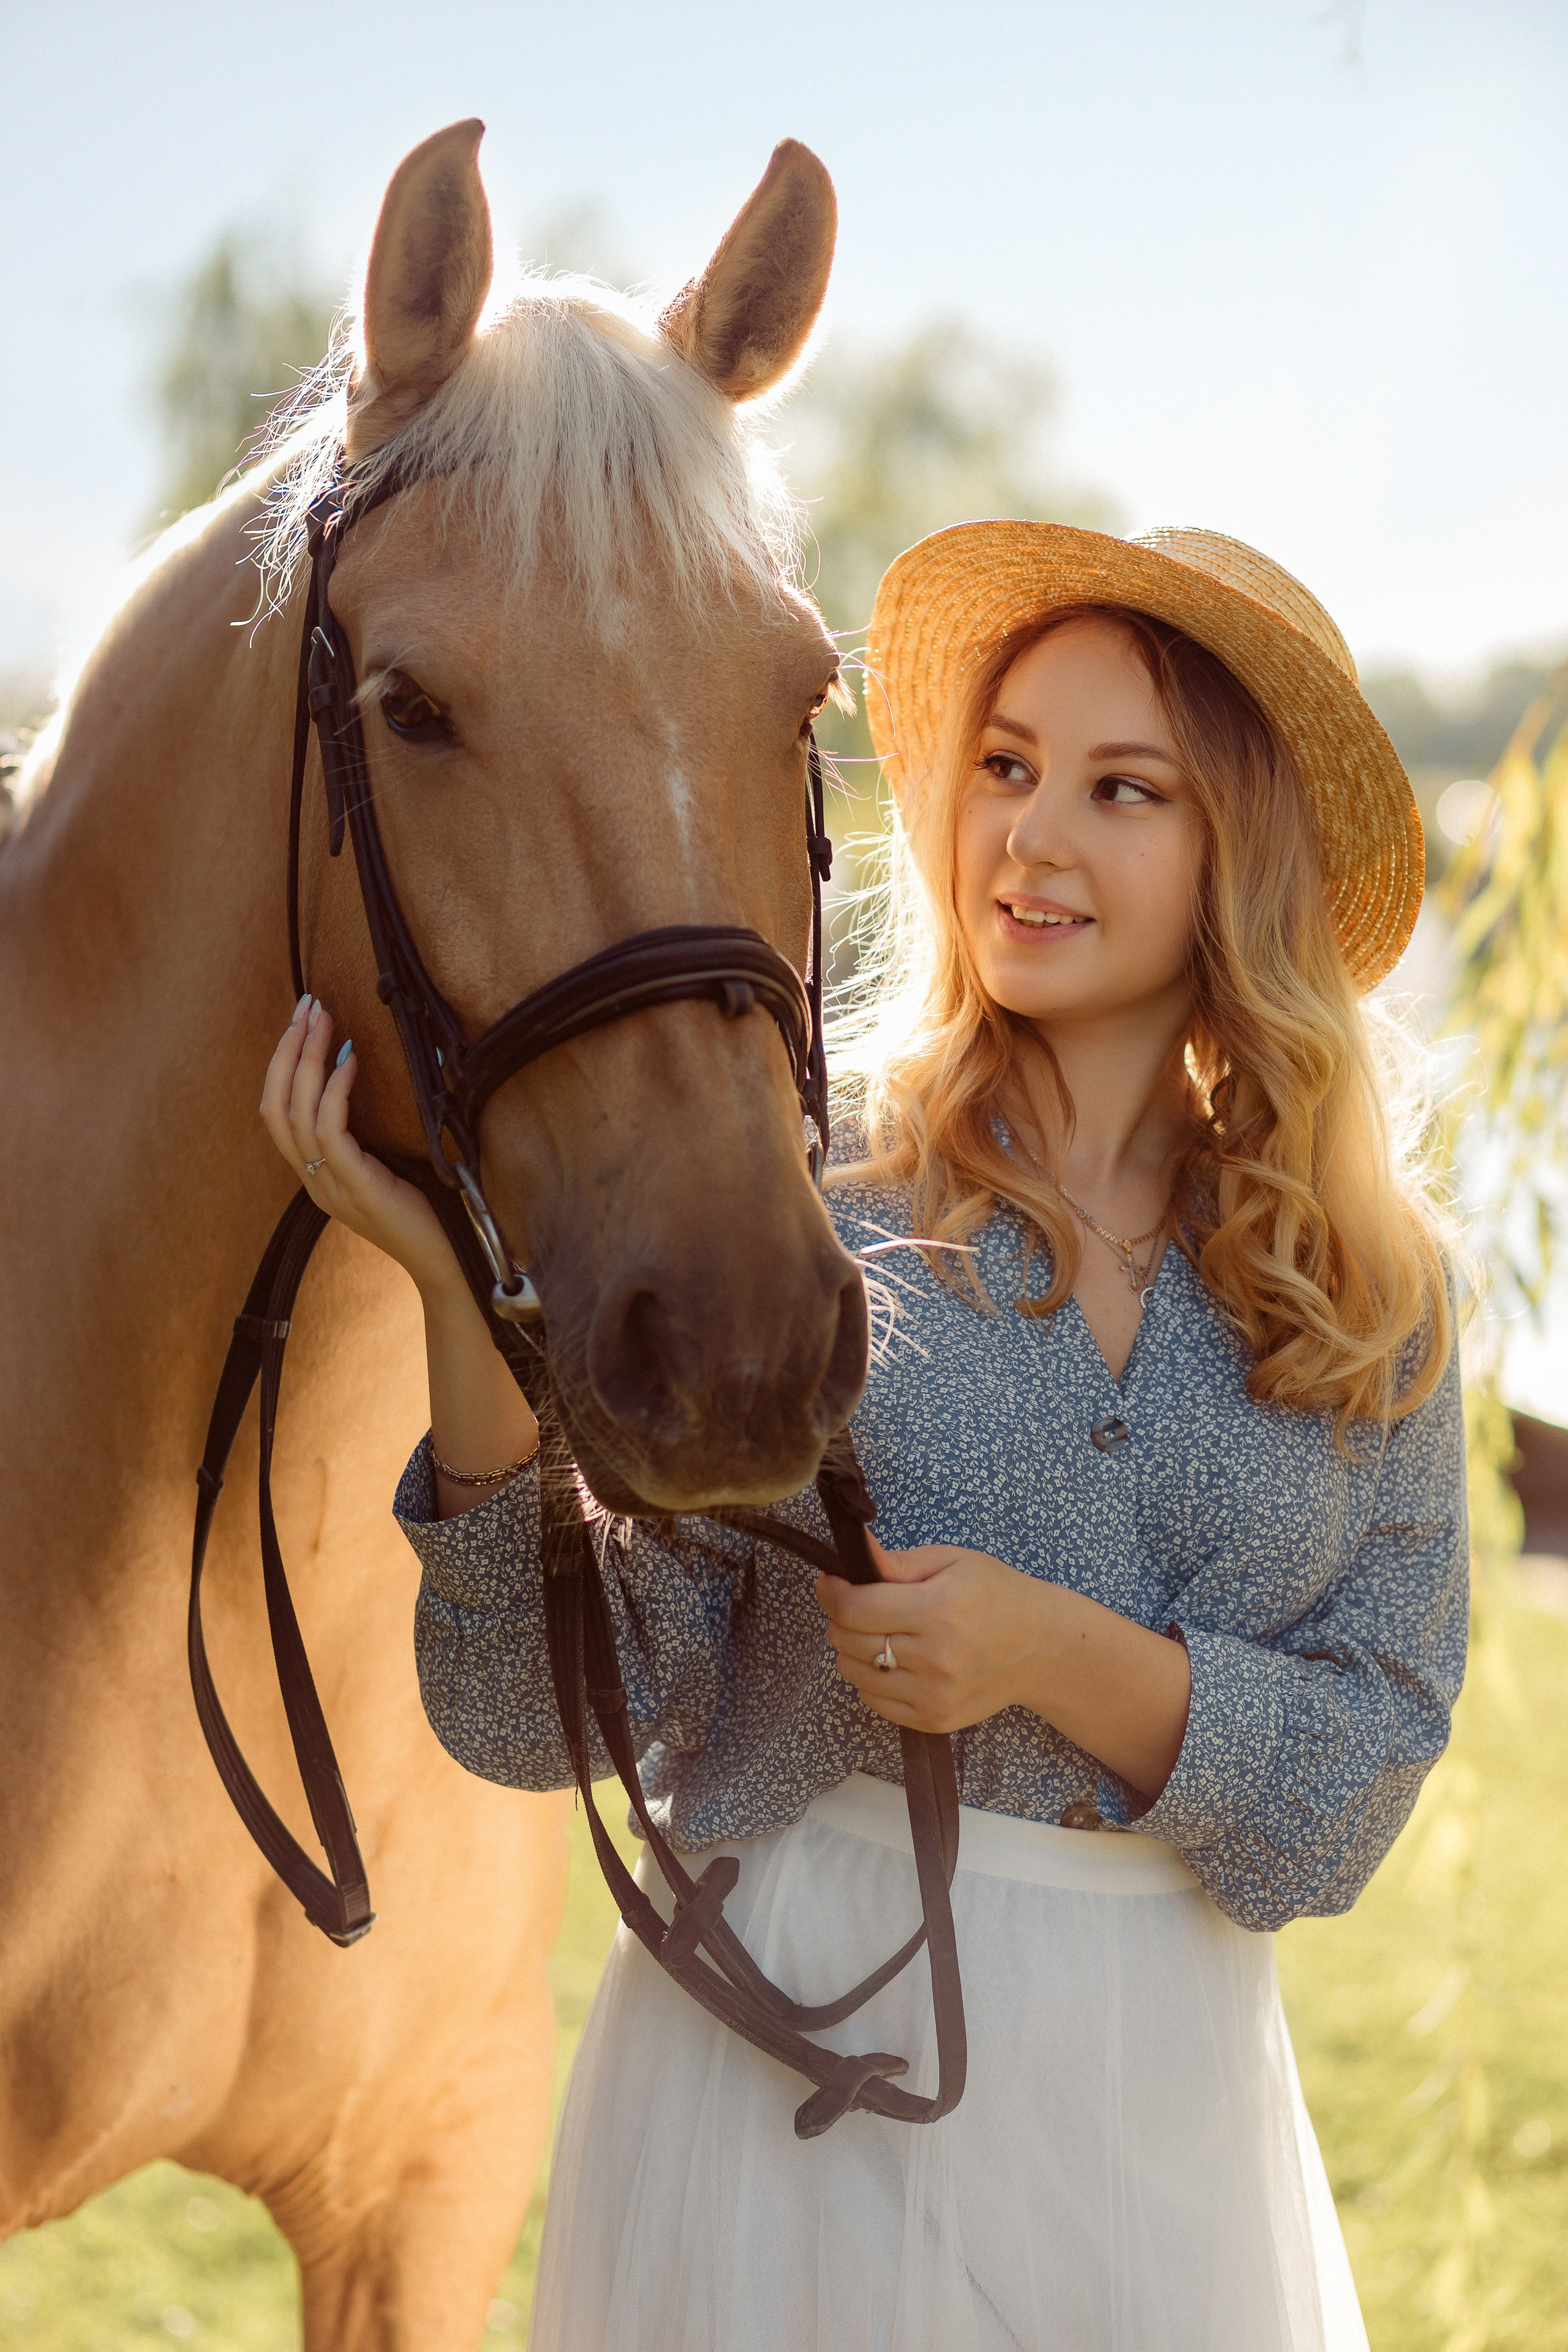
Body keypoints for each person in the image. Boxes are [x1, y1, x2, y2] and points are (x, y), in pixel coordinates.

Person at [262, 522, 1468, 2351]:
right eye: (1004, 767)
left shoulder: (1367, 1288)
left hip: (1170, 2124)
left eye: (1119, 788)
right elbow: (535, 1713)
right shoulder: (810, 1213)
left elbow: (1356, 1786)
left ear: (1246, 857)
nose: (1030, 837)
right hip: (781, 2101)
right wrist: (457, 1300)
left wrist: (1051, 1653)